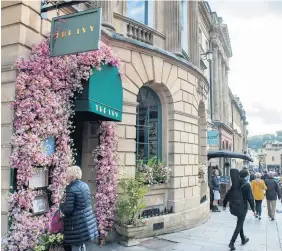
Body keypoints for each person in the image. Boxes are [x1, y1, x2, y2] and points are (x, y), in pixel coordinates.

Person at [60, 166, 99, 251]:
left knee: (70, 244)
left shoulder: (71, 189)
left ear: (72, 176)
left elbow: (68, 210)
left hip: (76, 223)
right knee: (81, 244)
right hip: (86, 221)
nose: (66, 176)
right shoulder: (85, 185)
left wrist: (61, 205)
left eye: (67, 174)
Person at [223, 169, 255, 251]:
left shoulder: (235, 184)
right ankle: (232, 243)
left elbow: (228, 194)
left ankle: (243, 239)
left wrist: (224, 204)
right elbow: (250, 198)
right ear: (246, 176)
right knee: (239, 224)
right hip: (242, 208)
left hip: (234, 207)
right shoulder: (247, 185)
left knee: (240, 223)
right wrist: (253, 209)